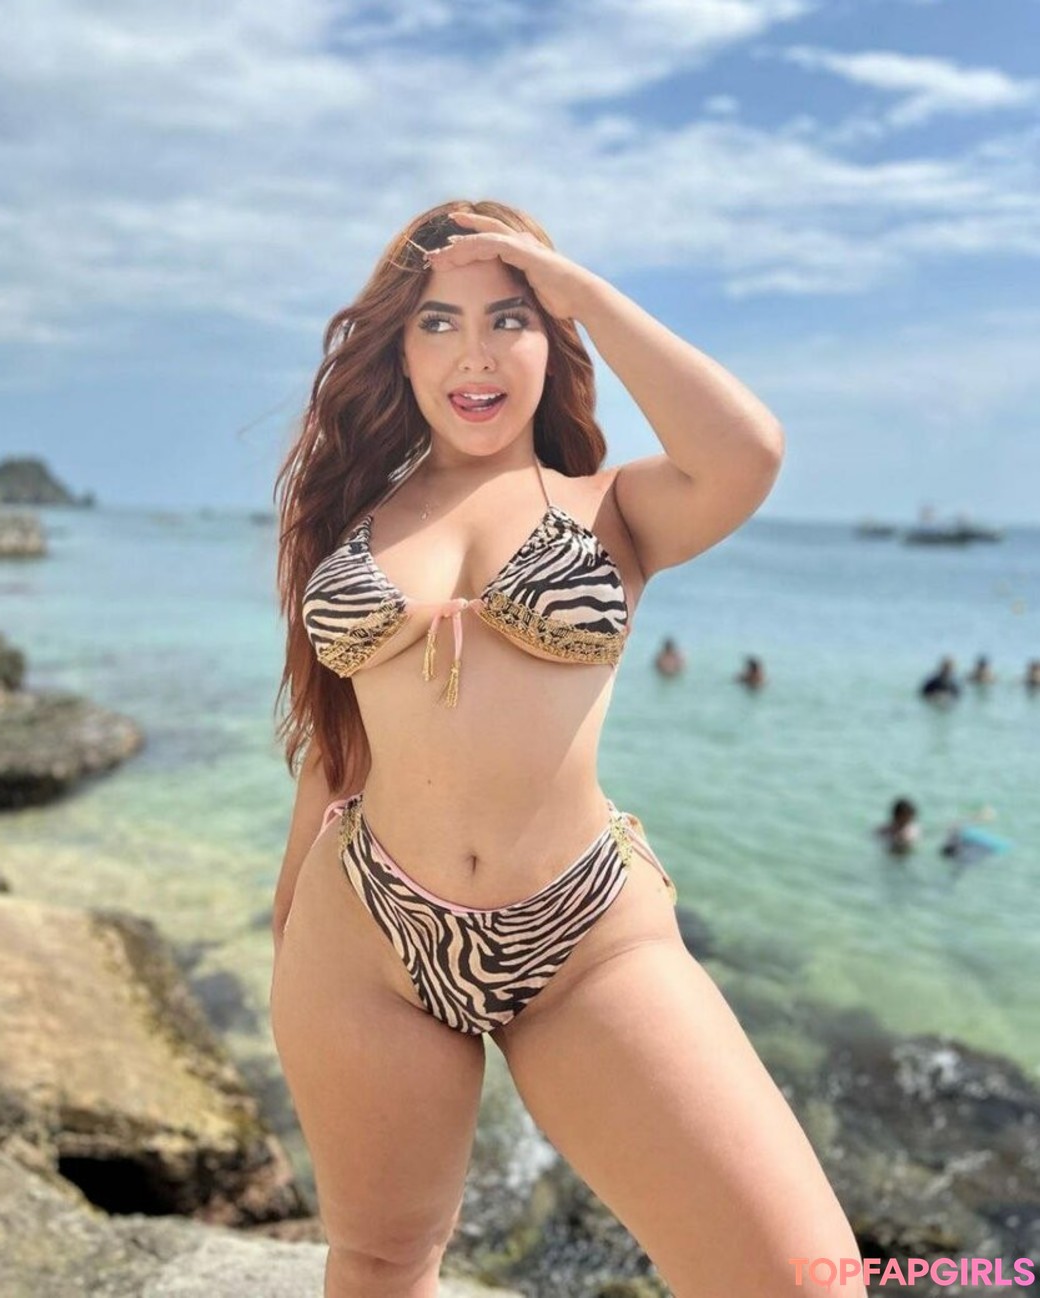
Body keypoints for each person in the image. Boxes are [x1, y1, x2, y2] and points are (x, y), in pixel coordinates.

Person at [267, 200, 866, 1298]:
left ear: (555, 339)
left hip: (584, 935)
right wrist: (289, 912)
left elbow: (749, 449)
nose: (476, 354)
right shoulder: (351, 517)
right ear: (401, 350)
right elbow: (337, 736)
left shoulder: (618, 506)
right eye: (439, 323)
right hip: (364, 935)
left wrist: (578, 286)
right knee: (382, 1262)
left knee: (803, 1281)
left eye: (511, 319)